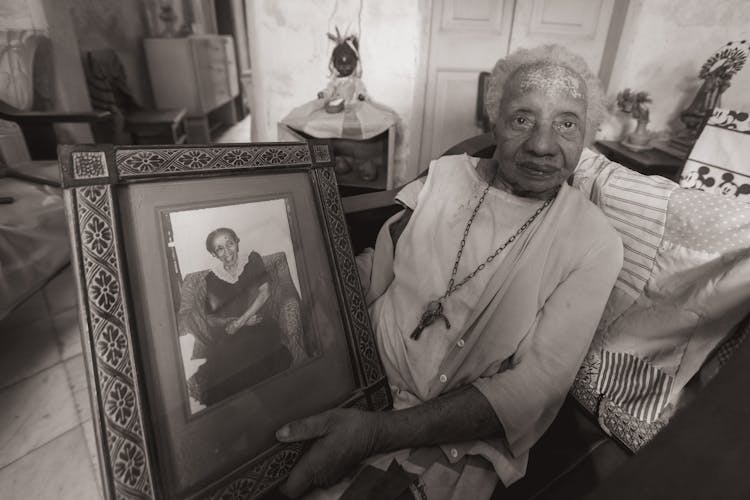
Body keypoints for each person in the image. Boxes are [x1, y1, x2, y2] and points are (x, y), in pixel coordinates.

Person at [275, 44, 624, 499]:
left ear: (587, 135)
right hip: (350, 381)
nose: (542, 145)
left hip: (446, 440)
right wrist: (301, 307)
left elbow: (534, 389)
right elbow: (375, 267)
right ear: (494, 122)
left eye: (566, 123)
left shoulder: (593, 242)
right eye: (522, 119)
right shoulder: (444, 176)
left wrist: (377, 432)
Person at [193, 227, 292, 406]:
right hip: (231, 333)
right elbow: (210, 318)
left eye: (230, 243)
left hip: (259, 325)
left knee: (259, 362)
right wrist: (231, 323)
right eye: (220, 248)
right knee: (227, 370)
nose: (227, 251)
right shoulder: (211, 279)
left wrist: (241, 321)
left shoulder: (252, 260)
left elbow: (265, 292)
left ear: (237, 243)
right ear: (214, 254)